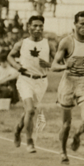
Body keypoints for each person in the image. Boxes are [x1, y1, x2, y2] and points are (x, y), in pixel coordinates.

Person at [51, 11, 84, 164]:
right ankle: (63, 151)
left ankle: (77, 136)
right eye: (82, 24)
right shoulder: (67, 42)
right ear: (75, 24)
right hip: (68, 83)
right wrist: (65, 66)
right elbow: (53, 66)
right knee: (66, 124)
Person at [7, 14, 51, 153]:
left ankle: (17, 130)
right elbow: (9, 56)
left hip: (41, 81)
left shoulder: (48, 44)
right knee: (30, 110)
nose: (38, 29)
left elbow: (57, 62)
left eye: (40, 26)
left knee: (28, 112)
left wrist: (48, 64)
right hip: (25, 79)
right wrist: (16, 66)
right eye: (35, 26)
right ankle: (29, 141)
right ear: (29, 27)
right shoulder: (22, 43)